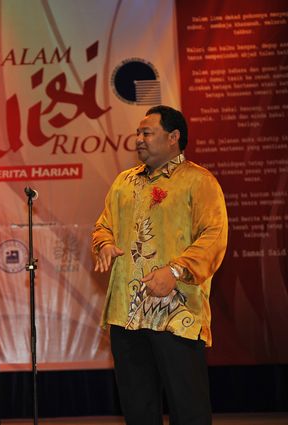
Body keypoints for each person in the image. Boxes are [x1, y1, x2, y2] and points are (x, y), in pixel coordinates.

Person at [92, 105, 228, 425]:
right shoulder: (124, 182)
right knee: (138, 409)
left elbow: (214, 236)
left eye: (147, 132)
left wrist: (176, 271)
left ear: (173, 137)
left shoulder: (198, 181)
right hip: (127, 314)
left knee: (188, 408)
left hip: (177, 314)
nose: (139, 139)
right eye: (137, 133)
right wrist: (104, 244)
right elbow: (103, 226)